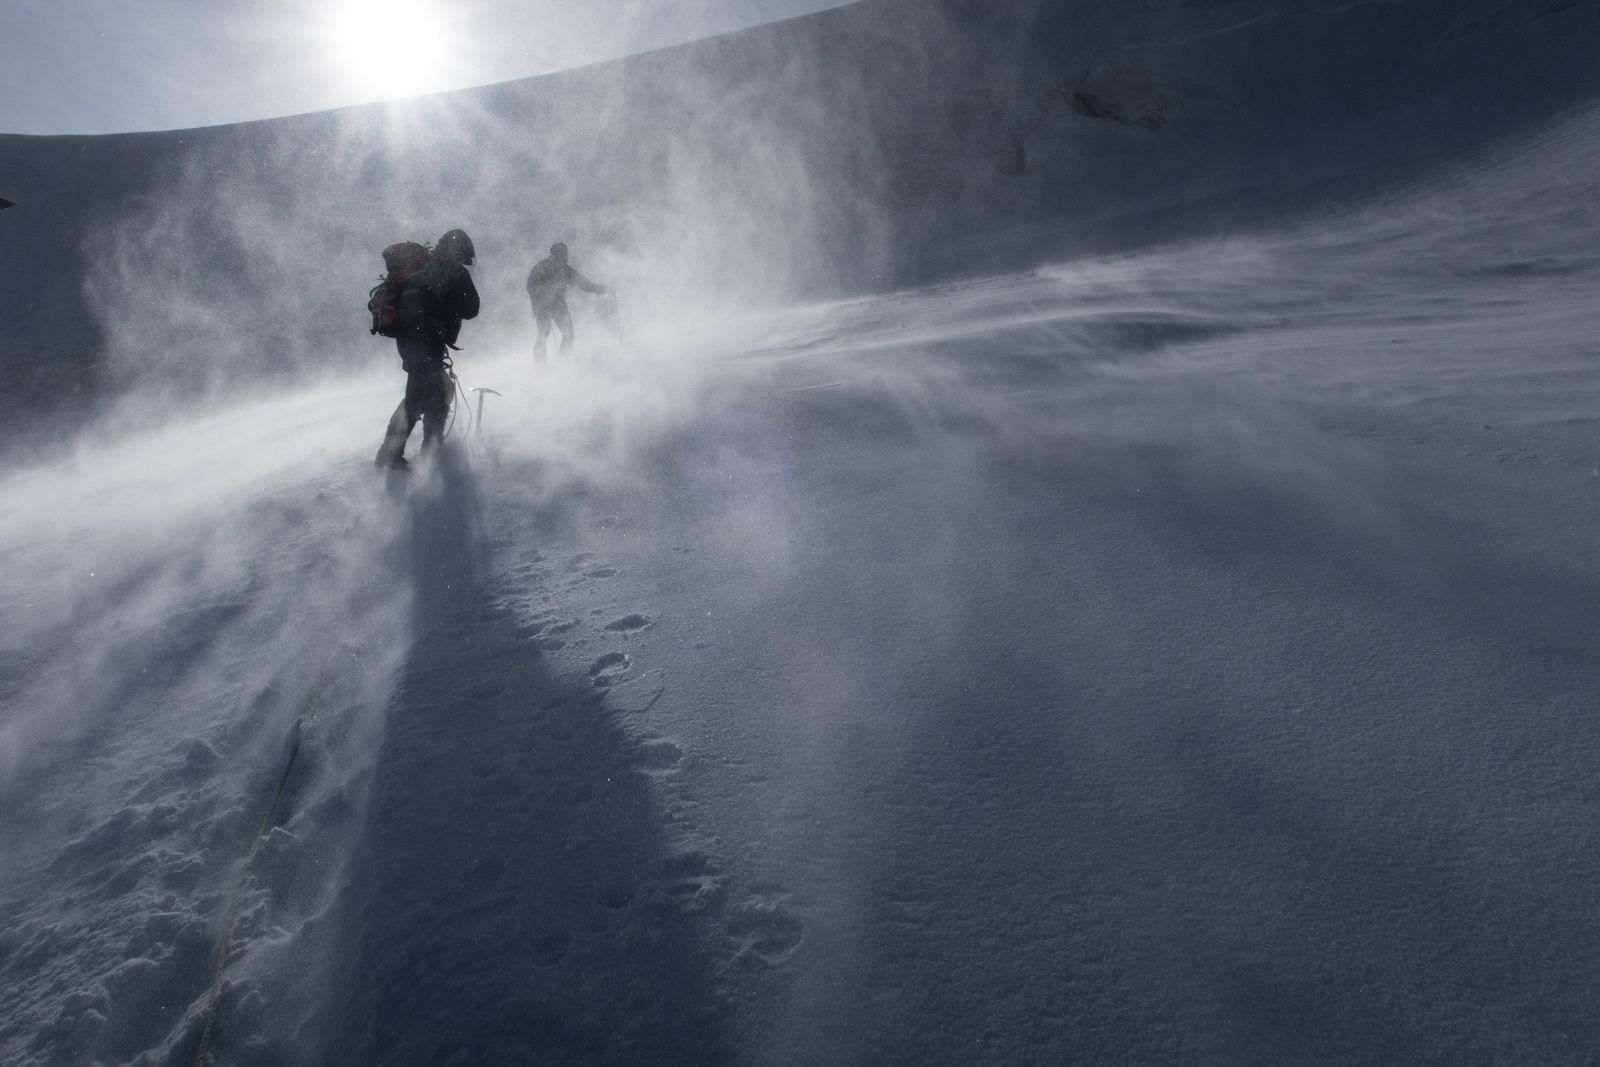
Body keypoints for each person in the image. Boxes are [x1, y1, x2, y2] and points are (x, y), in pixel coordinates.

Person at [374, 228, 480, 470]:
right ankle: (423, 455)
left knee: (426, 393)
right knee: (430, 399)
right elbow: (471, 308)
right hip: (428, 343)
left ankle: (402, 454)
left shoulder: (421, 269)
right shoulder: (453, 271)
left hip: (410, 342)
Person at [526, 242, 607, 360]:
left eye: (565, 254)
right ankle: (551, 365)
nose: (566, 257)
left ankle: (557, 364)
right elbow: (532, 286)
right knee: (551, 335)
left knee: (552, 335)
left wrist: (602, 289)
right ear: (556, 254)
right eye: (563, 254)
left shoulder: (563, 269)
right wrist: (541, 298)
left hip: (553, 306)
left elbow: (583, 283)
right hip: (548, 306)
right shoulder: (545, 267)